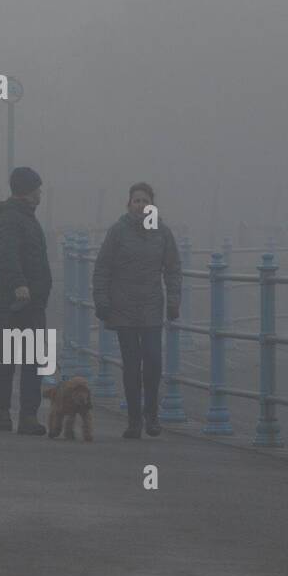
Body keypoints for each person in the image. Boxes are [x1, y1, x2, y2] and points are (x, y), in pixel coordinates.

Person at [92, 182, 181, 438]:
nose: (141, 205)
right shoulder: (117, 232)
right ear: (128, 204)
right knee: (131, 365)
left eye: (145, 200)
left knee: (153, 361)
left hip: (152, 306)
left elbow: (173, 269)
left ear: (152, 204)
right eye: (136, 200)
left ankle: (152, 415)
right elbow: (103, 269)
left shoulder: (163, 234)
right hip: (124, 308)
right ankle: (134, 421)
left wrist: (174, 301)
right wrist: (102, 301)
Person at [0, 166, 52, 435]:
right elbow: (7, 256)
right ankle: (10, 415)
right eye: (37, 188)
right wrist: (20, 285)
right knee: (12, 360)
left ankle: (24, 416)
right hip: (14, 303)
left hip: (30, 303)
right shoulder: (13, 219)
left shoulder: (22, 217)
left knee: (27, 360)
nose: (40, 193)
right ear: (27, 191)